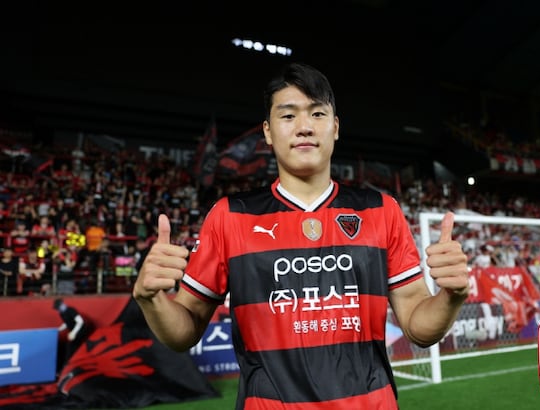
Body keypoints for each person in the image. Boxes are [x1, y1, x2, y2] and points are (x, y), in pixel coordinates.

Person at [133, 62, 469, 409]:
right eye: (288, 115)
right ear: (267, 131)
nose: (305, 127)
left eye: (317, 113)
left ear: (335, 127)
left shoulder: (381, 210)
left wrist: (451, 297)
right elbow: (183, 332)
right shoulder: (230, 216)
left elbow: (417, 326)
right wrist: (150, 299)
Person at [53, 297, 89, 367]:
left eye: (59, 307)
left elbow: (80, 322)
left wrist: (74, 332)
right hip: (73, 332)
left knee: (71, 347)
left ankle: (68, 365)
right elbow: (66, 323)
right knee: (71, 347)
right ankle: (70, 364)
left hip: (80, 330)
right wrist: (59, 329)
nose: (58, 309)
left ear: (62, 305)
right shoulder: (61, 314)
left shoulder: (71, 310)